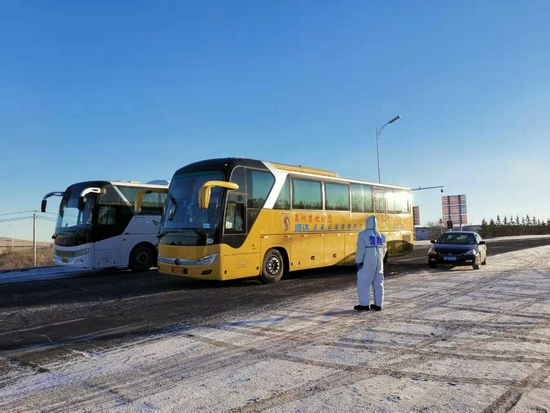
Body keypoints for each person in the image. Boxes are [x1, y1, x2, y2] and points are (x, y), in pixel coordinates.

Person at [354, 215, 387, 311]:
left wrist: (359, 261)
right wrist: (380, 260)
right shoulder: (382, 236)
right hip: (379, 263)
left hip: (368, 263)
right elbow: (384, 250)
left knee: (363, 282)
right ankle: (378, 305)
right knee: (378, 283)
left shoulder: (363, 235)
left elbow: (361, 250)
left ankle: (364, 305)